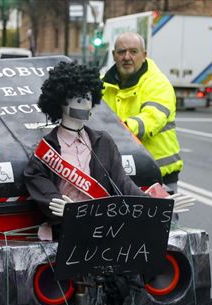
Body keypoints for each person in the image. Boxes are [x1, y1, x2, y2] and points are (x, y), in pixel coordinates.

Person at [24, 62, 147, 240]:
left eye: (89, 98)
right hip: (65, 233)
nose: (86, 103)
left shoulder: (104, 142)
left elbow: (123, 183)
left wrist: (156, 204)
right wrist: (58, 206)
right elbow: (44, 192)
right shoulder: (46, 151)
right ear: (61, 102)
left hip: (103, 230)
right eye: (79, 99)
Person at [102, 32, 182, 192]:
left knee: (162, 217)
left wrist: (121, 128)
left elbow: (152, 118)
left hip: (158, 173)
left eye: (133, 51)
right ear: (114, 55)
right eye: (121, 52)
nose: (127, 57)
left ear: (144, 55)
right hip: (119, 172)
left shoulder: (158, 83)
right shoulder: (101, 84)